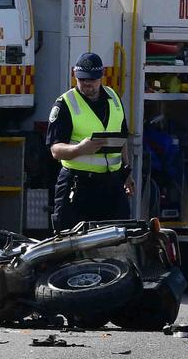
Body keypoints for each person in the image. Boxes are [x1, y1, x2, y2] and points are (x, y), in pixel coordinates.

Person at [46, 52, 132, 231]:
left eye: (91, 79)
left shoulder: (114, 99)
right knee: (71, 244)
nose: (86, 84)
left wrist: (126, 173)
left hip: (111, 186)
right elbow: (55, 150)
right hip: (79, 186)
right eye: (82, 79)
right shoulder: (65, 103)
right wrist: (80, 149)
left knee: (117, 241)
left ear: (101, 77)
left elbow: (122, 140)